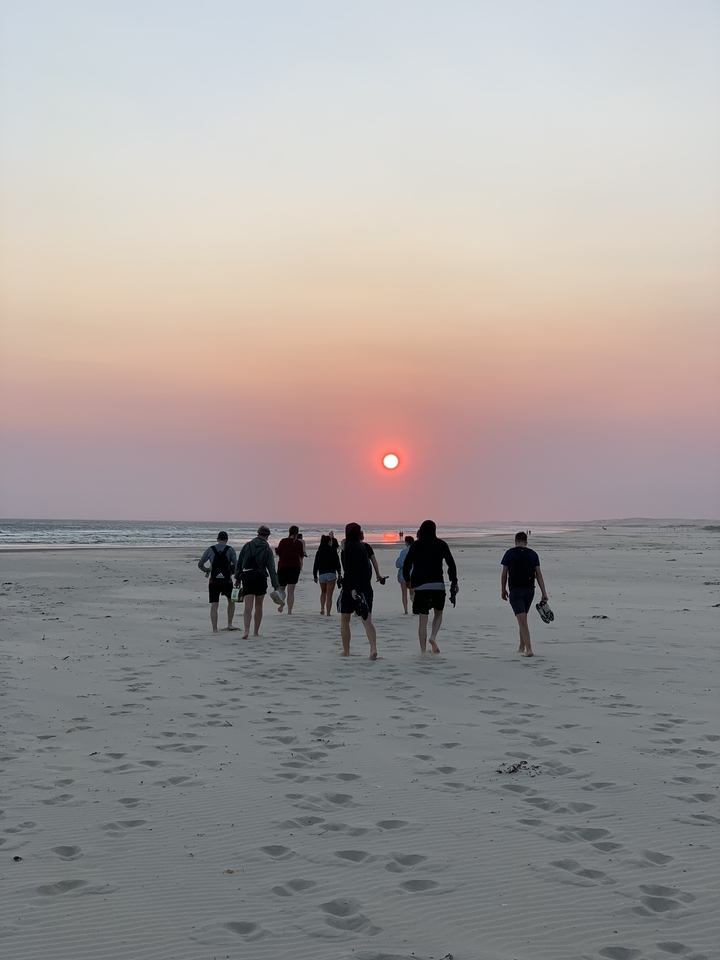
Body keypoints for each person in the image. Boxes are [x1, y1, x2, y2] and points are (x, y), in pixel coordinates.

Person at [402, 520, 458, 654]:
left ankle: (423, 650)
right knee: (438, 613)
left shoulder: (416, 545)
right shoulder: (441, 544)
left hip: (421, 587)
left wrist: (407, 580)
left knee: (423, 619)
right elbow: (451, 564)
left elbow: (407, 564)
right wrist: (454, 581)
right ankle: (433, 636)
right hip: (438, 586)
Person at [501, 531, 549, 658]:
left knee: (522, 621)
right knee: (523, 618)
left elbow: (504, 574)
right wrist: (544, 592)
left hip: (516, 590)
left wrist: (503, 589)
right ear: (526, 542)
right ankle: (521, 646)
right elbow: (539, 574)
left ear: (515, 541)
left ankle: (529, 649)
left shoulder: (509, 553)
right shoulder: (533, 554)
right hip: (529, 591)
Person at [338, 522, 378, 659]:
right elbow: (366, 568)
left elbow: (348, 568)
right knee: (367, 620)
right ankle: (373, 648)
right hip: (366, 587)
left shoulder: (349, 547)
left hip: (351, 588)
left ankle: (346, 651)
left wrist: (343, 550)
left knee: (345, 619)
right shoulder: (363, 547)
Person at [236, 525, 281, 639]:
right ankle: (256, 632)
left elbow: (239, 563)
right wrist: (276, 586)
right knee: (259, 605)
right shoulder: (267, 549)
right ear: (267, 536)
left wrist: (237, 578)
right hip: (260, 578)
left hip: (247, 577)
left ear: (258, 534)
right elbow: (271, 569)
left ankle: (246, 630)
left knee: (248, 606)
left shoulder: (247, 546)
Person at [198, 531, 238, 632]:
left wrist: (207, 570)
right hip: (227, 580)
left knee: (214, 605)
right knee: (231, 601)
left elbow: (200, 564)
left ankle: (214, 628)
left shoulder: (211, 549)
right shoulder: (230, 549)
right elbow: (236, 565)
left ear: (217, 539)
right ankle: (229, 624)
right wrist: (233, 573)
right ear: (227, 540)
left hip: (213, 580)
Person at [275, 525, 304, 615]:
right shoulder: (299, 543)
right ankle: (289, 611)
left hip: (283, 566)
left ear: (289, 532)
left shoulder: (283, 541)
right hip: (295, 567)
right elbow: (301, 556)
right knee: (291, 591)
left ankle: (282, 604)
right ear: (297, 533)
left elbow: (278, 553)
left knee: (281, 588)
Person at [313, 534, 342, 614]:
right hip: (331, 574)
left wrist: (315, 575)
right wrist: (339, 573)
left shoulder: (319, 551)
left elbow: (316, 564)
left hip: (322, 574)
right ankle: (328, 612)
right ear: (329, 541)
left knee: (323, 592)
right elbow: (337, 563)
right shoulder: (333, 551)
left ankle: (322, 609)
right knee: (329, 595)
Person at [395, 535, 415, 614]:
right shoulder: (417, 550)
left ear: (406, 542)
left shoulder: (404, 551)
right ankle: (415, 608)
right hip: (414, 574)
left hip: (404, 574)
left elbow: (399, 563)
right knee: (412, 593)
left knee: (404, 594)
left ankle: (406, 610)